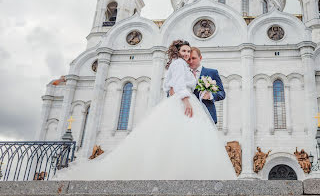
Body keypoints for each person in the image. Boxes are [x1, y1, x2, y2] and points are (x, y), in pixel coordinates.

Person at [52, 39, 236, 180]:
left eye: (191, 54)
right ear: (178, 52)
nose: (189, 56)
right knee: (183, 138)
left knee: (182, 139)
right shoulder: (180, 64)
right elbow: (176, 85)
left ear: (199, 57)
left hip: (192, 106)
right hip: (185, 104)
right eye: (185, 52)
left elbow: (172, 84)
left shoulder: (198, 69)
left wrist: (204, 95)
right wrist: (184, 99)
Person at [188, 47, 225, 124]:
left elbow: (222, 94)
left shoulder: (212, 72)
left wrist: (210, 96)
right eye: (189, 59)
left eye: (193, 58)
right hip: (188, 116)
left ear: (200, 58)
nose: (191, 61)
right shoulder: (184, 74)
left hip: (207, 116)